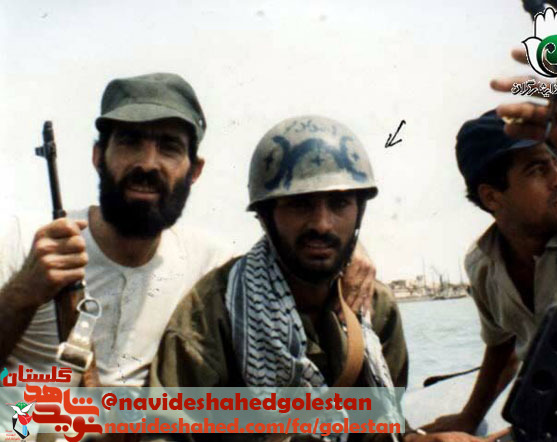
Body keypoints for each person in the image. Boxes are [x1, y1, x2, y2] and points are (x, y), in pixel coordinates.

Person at [0, 74, 376, 388]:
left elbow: (292, 256)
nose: (148, 163)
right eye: (130, 142)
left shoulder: (208, 264)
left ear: (194, 171)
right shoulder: (24, 242)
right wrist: (21, 294)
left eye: (169, 147)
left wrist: (350, 251)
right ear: (98, 157)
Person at [151, 115, 499, 442]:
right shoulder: (214, 313)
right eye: (301, 204)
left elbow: (381, 427)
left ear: (359, 211)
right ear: (265, 217)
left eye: (339, 203)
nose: (321, 223)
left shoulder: (375, 309)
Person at [423, 109, 557, 434]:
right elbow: (501, 346)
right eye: (538, 169)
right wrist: (469, 418)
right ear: (492, 197)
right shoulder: (483, 264)